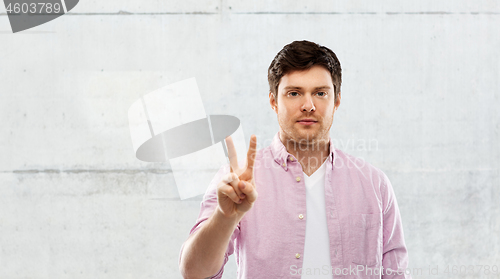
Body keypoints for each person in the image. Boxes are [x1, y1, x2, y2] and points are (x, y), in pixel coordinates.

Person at [178, 40, 410, 279]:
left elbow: (396, 274)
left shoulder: (374, 184)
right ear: (273, 102)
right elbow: (194, 272)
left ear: (336, 101)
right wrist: (224, 217)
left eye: (320, 93)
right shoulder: (238, 180)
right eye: (294, 93)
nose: (308, 105)